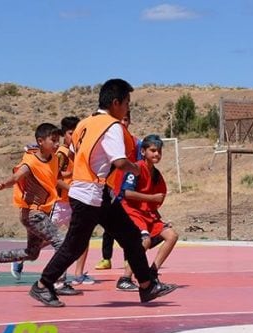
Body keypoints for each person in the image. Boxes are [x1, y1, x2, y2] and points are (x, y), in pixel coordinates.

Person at [28, 79, 176, 307]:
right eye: (127, 103)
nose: (128, 108)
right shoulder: (112, 126)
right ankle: (43, 285)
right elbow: (118, 160)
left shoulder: (84, 124)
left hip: (97, 193)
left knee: (131, 237)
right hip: (89, 194)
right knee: (73, 245)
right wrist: (136, 167)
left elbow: (78, 153)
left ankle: (147, 286)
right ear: (116, 103)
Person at [0, 123, 80, 296]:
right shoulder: (30, 162)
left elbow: (55, 178)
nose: (57, 144)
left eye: (58, 140)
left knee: (32, 253)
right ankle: (58, 282)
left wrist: (73, 187)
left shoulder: (55, 159)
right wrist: (5, 183)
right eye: (53, 140)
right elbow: (17, 176)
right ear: (41, 141)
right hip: (32, 214)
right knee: (61, 242)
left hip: (43, 211)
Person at [116, 135, 179, 291]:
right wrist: (151, 198)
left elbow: (160, 196)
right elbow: (127, 193)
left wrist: (155, 206)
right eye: (153, 150)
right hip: (132, 212)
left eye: (159, 151)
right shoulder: (136, 169)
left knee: (172, 235)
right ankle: (125, 278)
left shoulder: (157, 175)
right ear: (143, 151)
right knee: (144, 242)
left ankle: (153, 272)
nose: (156, 154)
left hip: (148, 214)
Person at [95, 110, 134, 271]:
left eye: (126, 120)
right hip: (108, 188)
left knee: (128, 228)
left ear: (129, 122)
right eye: (122, 119)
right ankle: (106, 258)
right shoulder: (111, 137)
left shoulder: (133, 142)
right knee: (109, 229)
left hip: (125, 188)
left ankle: (128, 261)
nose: (123, 122)